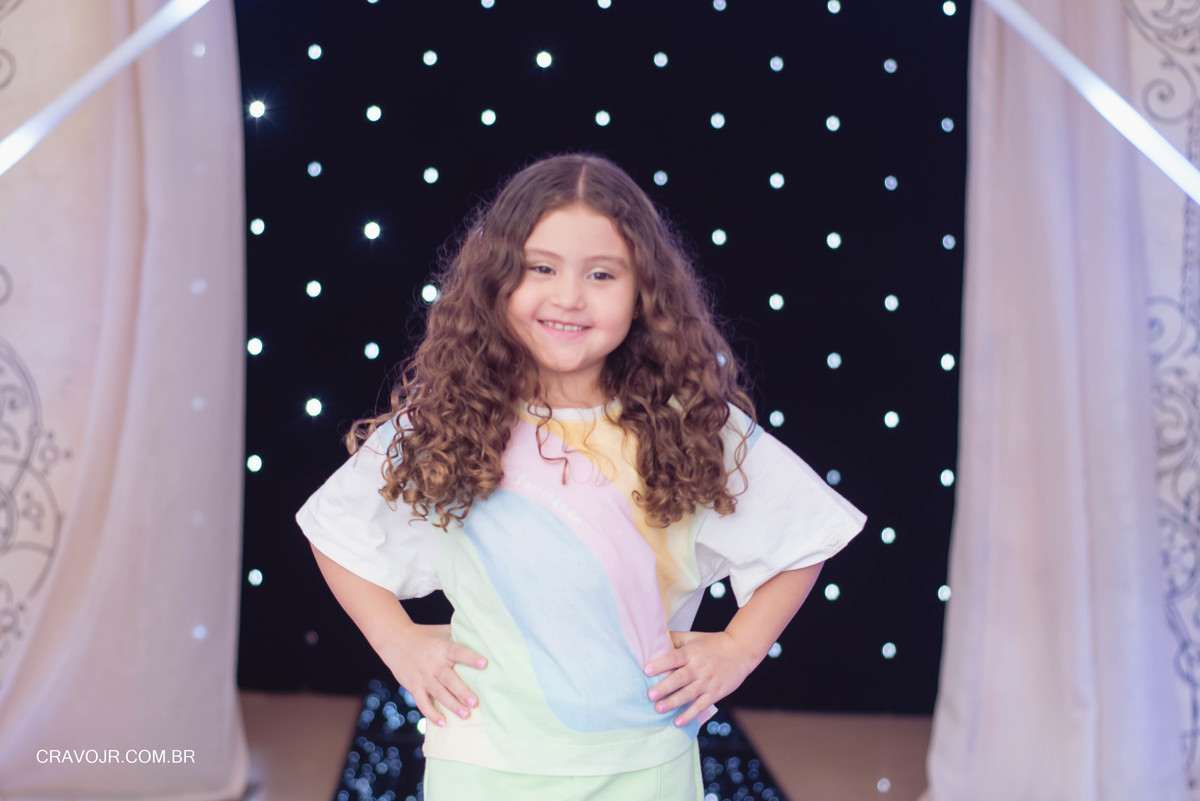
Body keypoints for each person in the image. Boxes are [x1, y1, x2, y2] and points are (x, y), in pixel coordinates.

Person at [295, 152, 866, 800]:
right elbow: (335, 529)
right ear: (497, 278)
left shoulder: (690, 424)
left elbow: (803, 533)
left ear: (644, 291)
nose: (569, 296)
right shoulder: (451, 416)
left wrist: (738, 648)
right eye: (541, 268)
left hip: (645, 764)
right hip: (485, 764)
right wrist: (397, 640)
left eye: (601, 274)